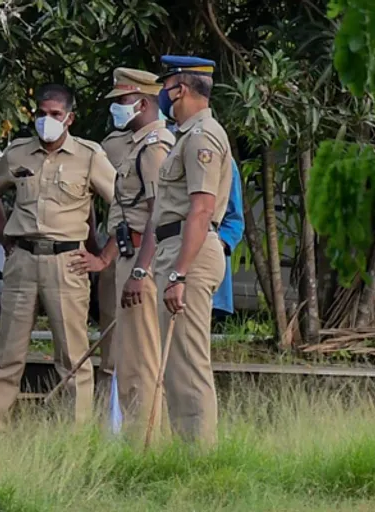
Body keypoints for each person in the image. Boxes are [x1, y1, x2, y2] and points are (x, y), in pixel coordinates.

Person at [0, 84, 117, 430]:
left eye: (55, 115)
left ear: (69, 118)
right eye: (41, 113)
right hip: (23, 259)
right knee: (7, 355)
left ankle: (75, 435)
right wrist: (4, 235)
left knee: (73, 357)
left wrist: (103, 257)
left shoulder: (90, 156)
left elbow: (125, 205)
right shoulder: (17, 154)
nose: (47, 120)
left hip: (68, 262)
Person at [83, 68, 175, 437]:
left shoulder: (154, 147)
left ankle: (145, 443)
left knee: (141, 362)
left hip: (142, 259)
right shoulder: (134, 144)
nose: (118, 108)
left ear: (143, 101)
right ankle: (139, 437)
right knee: (129, 358)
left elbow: (158, 213)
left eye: (122, 101)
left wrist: (140, 271)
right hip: (127, 254)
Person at [152, 55, 234, 445]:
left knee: (187, 364)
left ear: (179, 89)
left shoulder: (202, 136)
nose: (162, 95)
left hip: (192, 253)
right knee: (177, 367)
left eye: (165, 86)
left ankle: (199, 457)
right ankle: (189, 451)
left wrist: (179, 273)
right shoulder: (190, 134)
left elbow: (201, 208)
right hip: (180, 248)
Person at [212, 160, 245, 319]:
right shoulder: (162, 145)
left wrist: (217, 244)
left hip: (204, 257)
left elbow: (234, 221)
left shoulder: (222, 158)